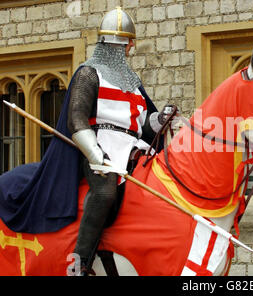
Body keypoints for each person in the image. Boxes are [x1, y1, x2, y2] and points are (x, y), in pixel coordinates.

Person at [68, 7, 160, 275]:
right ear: (119, 43)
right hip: (102, 145)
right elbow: (76, 118)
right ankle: (80, 263)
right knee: (106, 191)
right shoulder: (89, 73)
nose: (132, 46)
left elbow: (141, 123)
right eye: (129, 41)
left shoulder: (132, 81)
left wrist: (160, 119)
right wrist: (96, 155)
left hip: (134, 148)